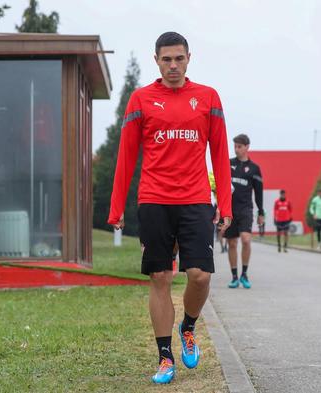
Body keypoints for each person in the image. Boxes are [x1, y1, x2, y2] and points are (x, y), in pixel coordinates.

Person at [107, 32, 232, 384]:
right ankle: (165, 358)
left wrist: (226, 203)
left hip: (194, 199)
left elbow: (220, 154)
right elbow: (126, 156)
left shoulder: (208, 97)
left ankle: (188, 327)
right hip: (154, 199)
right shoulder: (141, 99)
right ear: (157, 60)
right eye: (167, 59)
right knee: (160, 277)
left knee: (200, 275)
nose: (173, 65)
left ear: (189, 58)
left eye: (179, 58)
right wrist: (116, 208)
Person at [223, 133, 264, 289]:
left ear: (247, 147)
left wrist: (261, 212)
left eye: (239, 146)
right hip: (229, 209)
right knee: (232, 243)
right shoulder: (228, 164)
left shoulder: (254, 169)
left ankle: (244, 274)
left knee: (246, 240)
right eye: (235, 146)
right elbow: (220, 184)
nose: (236, 149)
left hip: (246, 209)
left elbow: (259, 192)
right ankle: (234, 276)